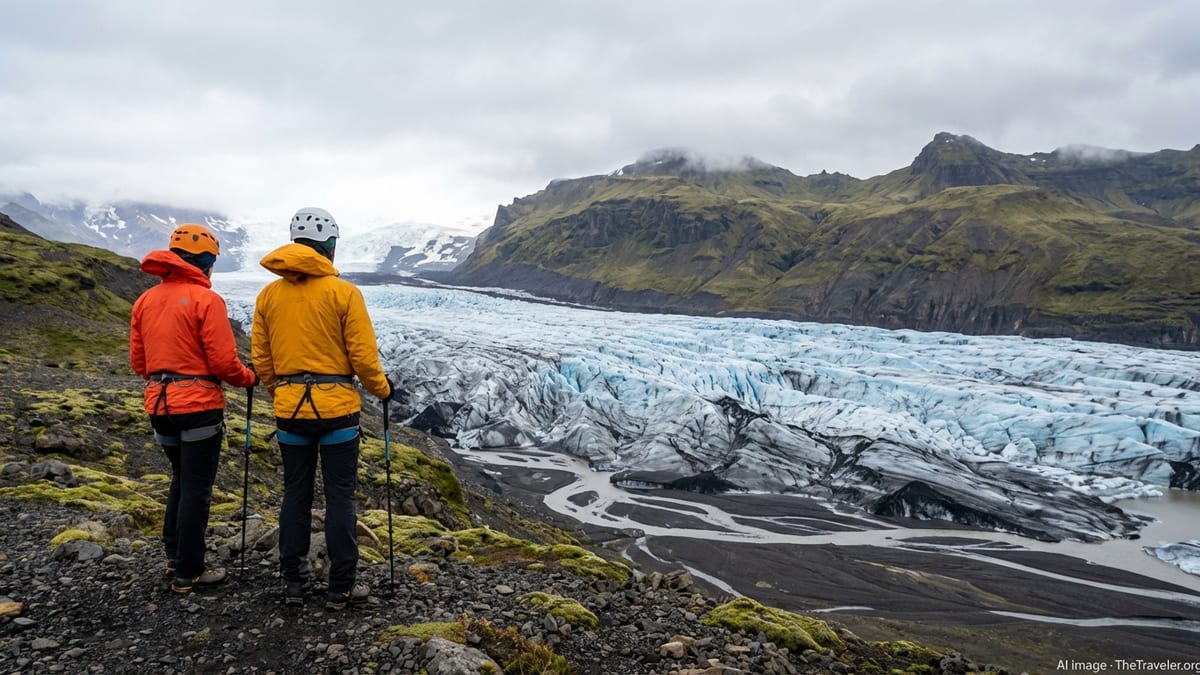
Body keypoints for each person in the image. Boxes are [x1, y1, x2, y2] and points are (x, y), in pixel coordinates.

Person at [251, 206, 393, 610]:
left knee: (295, 494)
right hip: (337, 414)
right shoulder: (344, 293)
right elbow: (364, 359)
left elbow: (262, 358)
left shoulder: (268, 296)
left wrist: (280, 388)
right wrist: (382, 390)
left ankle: (294, 583)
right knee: (340, 498)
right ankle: (341, 586)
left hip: (290, 410)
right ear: (329, 245)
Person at [130, 223, 258, 594]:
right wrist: (248, 379)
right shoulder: (207, 300)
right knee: (197, 487)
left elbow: (140, 363)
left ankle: (174, 558)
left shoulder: (145, 301)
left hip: (159, 403)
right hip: (199, 405)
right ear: (205, 262)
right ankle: (190, 570)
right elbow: (223, 363)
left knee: (181, 479)